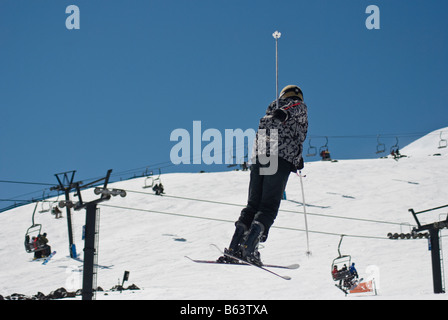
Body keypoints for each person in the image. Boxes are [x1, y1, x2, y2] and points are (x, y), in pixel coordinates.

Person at [218, 85, 308, 266]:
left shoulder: (270, 109)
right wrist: (286, 112)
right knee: (268, 206)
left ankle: (235, 247)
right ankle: (250, 249)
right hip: (279, 158)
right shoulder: (296, 106)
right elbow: (293, 109)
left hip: (260, 157)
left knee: (253, 205)